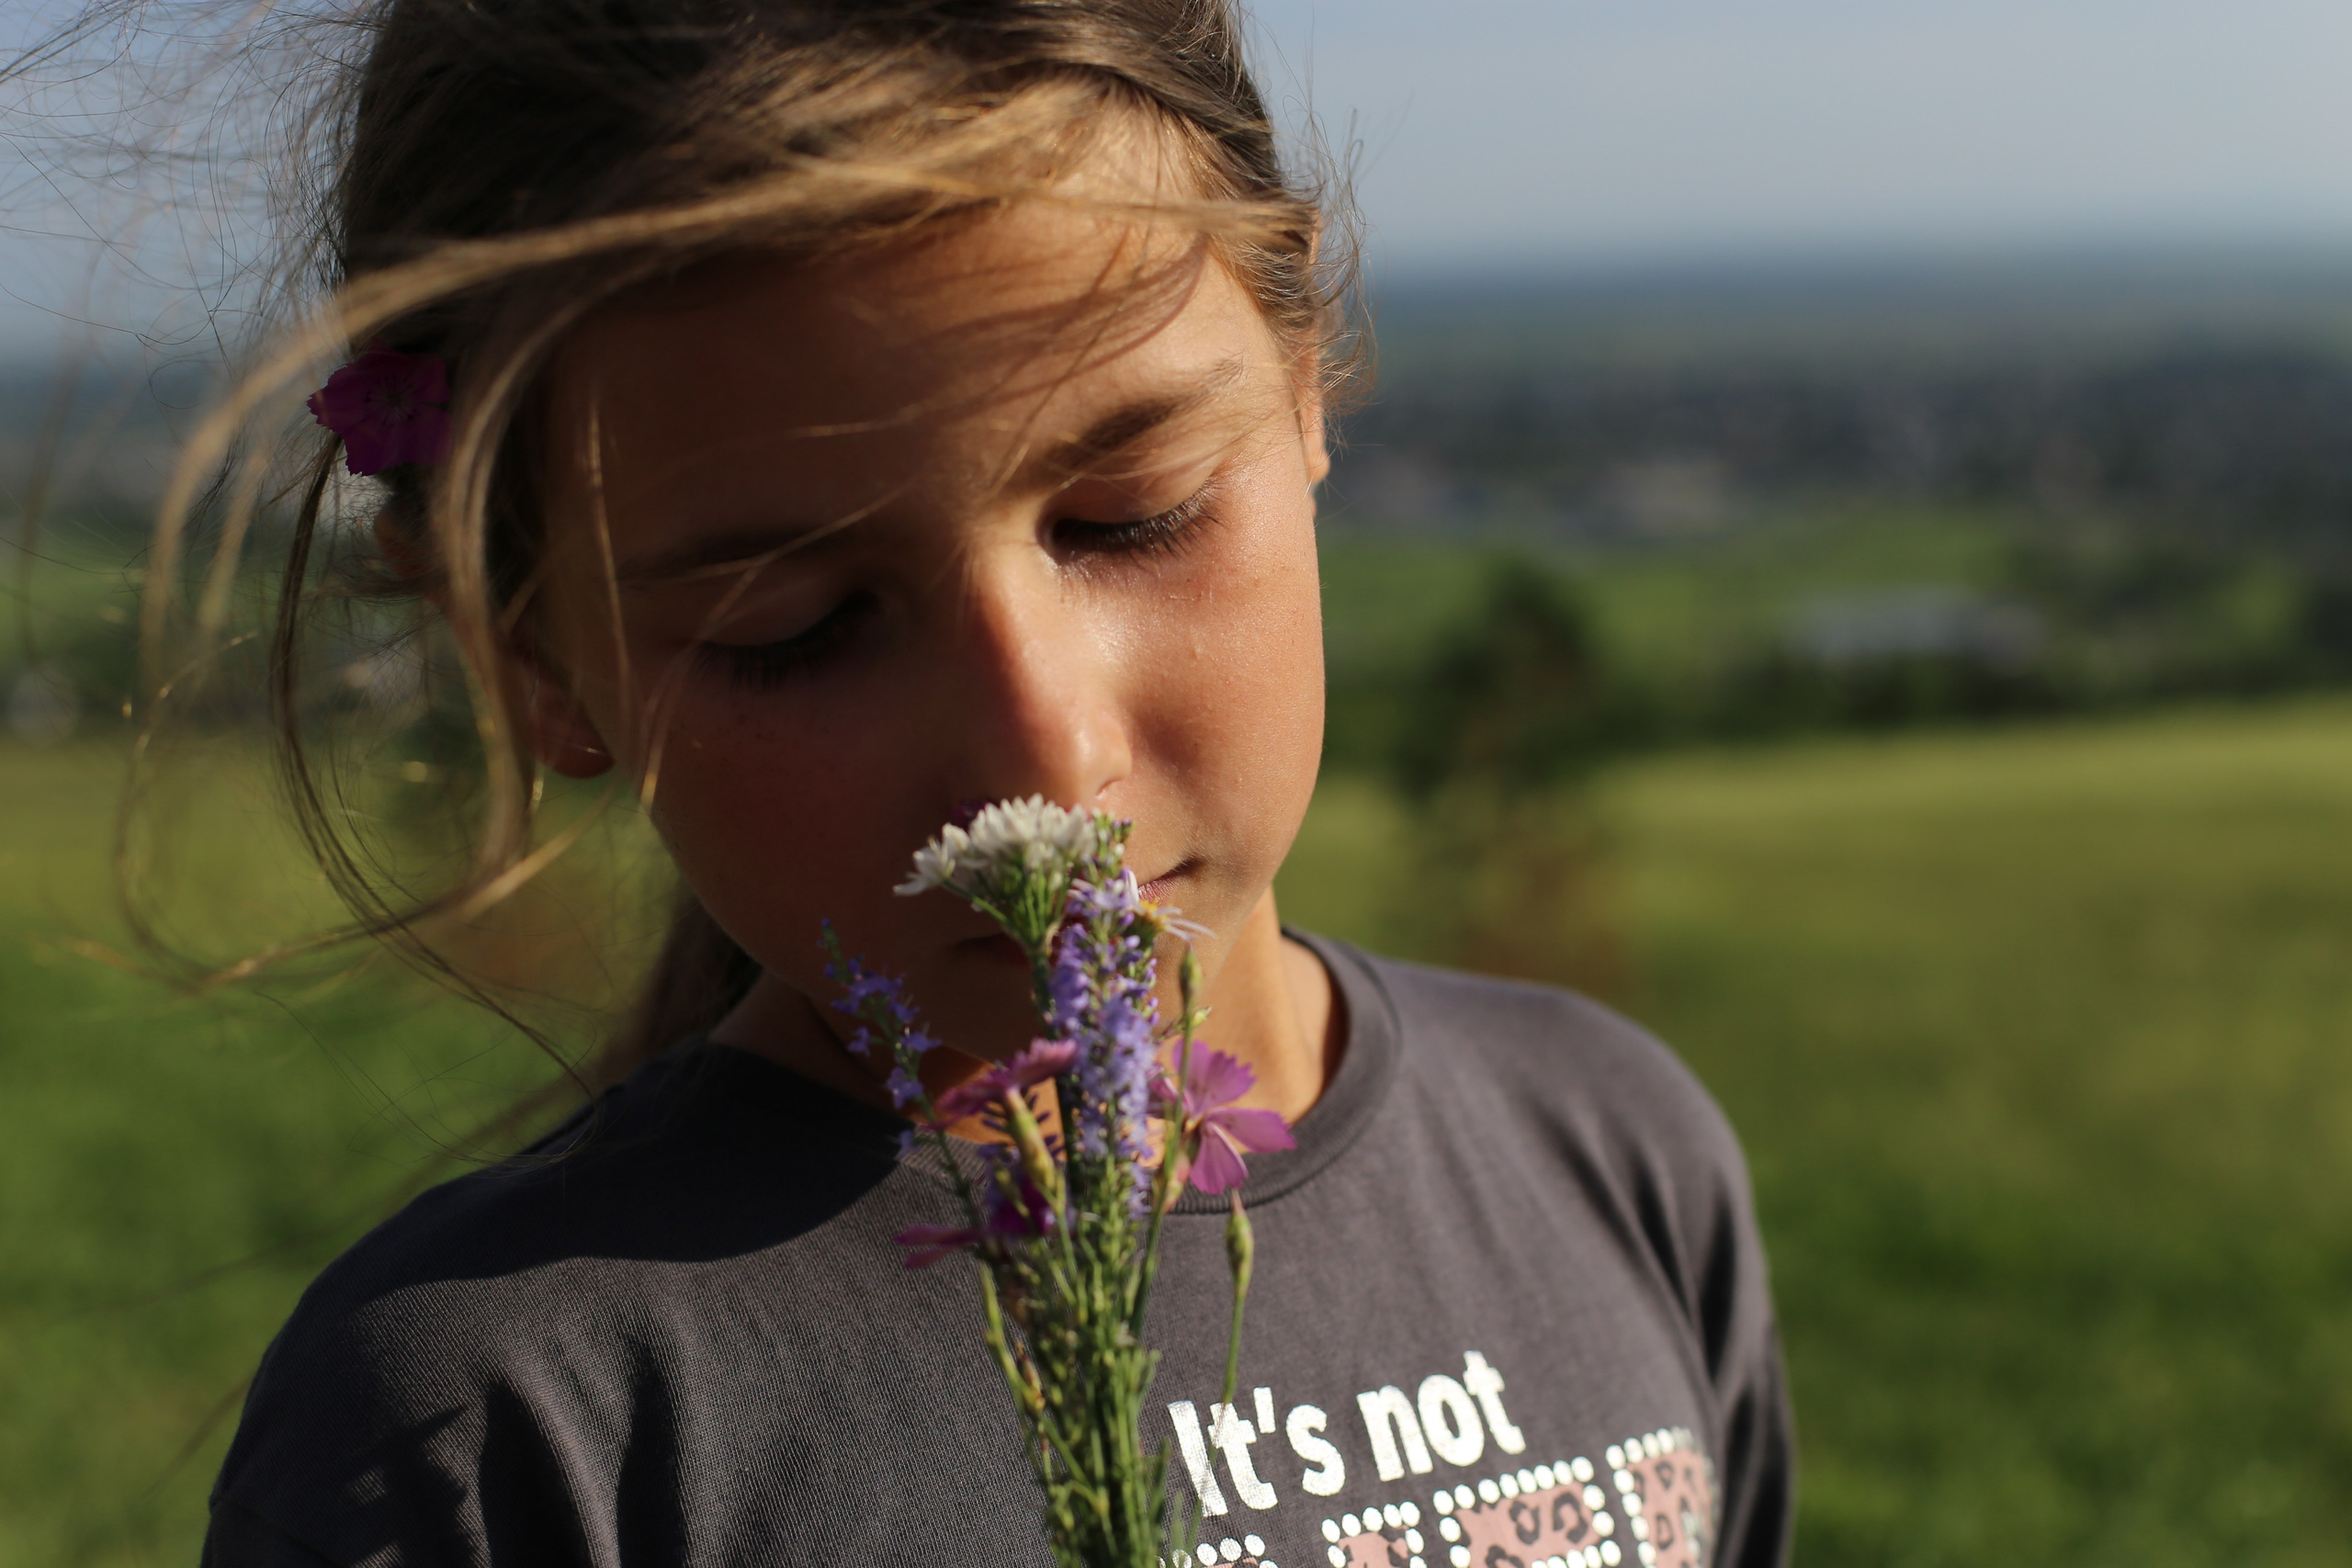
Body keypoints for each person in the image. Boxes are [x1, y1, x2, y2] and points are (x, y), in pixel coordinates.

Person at [149, 2, 1795, 1563]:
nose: (1044, 756)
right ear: (527, 651)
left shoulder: (1608, 1154)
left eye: (1134, 515)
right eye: (795, 626)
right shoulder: (497, 1434)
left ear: (1304, 378)